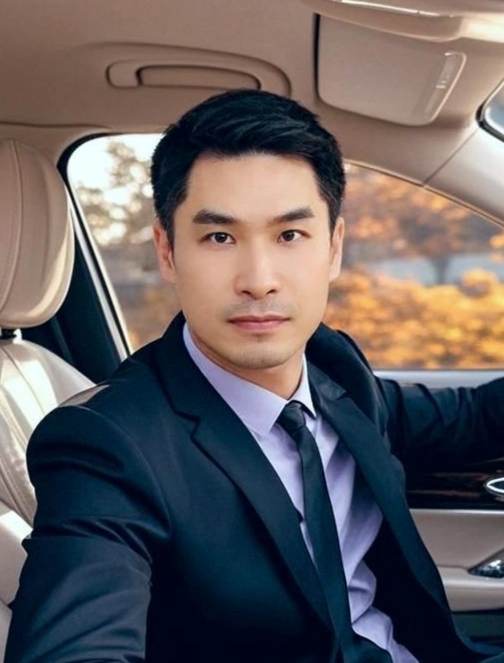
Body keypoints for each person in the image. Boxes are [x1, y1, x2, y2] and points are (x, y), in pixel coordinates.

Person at [6, 90, 504, 663]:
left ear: (333, 248)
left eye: (290, 235)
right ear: (167, 252)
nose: (259, 279)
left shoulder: (334, 366)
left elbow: (471, 418)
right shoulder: (107, 445)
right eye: (220, 237)